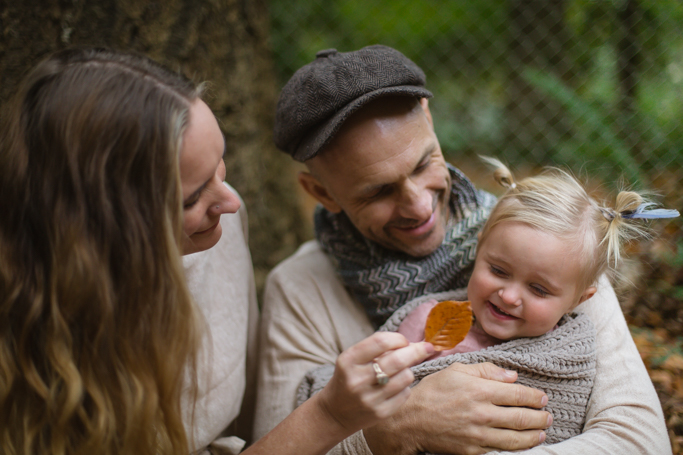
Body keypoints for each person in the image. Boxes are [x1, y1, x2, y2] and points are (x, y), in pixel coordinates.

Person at [0, 47, 435, 455]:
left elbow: (244, 429)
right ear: (103, 228)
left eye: (220, 165)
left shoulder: (222, 230)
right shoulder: (34, 347)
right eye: (190, 199)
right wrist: (331, 415)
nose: (229, 202)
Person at [255, 44, 672, 455]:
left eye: (423, 164)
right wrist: (390, 432)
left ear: (429, 119)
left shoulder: (552, 246)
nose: (419, 206)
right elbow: (284, 443)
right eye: (379, 191)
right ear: (321, 192)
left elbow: (640, 440)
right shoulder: (299, 290)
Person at [297, 157, 679, 445]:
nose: (509, 295)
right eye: (497, 270)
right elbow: (364, 392)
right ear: (478, 251)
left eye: (539, 290)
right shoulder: (429, 320)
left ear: (581, 298)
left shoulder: (574, 349)